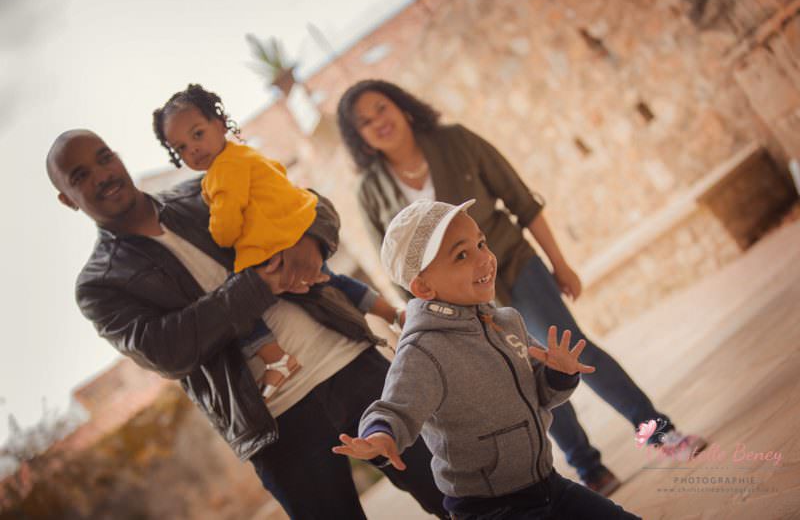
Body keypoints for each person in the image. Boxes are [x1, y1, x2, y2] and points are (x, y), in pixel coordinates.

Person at [45, 129, 448, 519]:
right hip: (275, 425)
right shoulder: (99, 284)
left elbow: (313, 205)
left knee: (453, 491)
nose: (101, 174)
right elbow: (167, 350)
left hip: (351, 366)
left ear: (117, 156)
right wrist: (257, 284)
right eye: (80, 175)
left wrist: (308, 240)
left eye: (104, 158)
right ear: (67, 199)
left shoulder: (204, 189)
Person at [336, 79, 708, 495]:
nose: (378, 123)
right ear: (359, 137)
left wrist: (559, 263)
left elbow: (520, 199)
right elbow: (398, 270)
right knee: (521, 371)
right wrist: (426, 319)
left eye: (381, 109)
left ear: (401, 106)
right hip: (457, 304)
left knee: (570, 350)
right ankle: (589, 468)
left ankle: (661, 435)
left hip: (512, 263)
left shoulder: (455, 140)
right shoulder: (370, 191)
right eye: (365, 123)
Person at [332, 199, 640, 519]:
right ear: (422, 286)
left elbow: (541, 395)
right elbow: (395, 408)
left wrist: (558, 375)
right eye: (462, 255)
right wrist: (380, 436)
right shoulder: (422, 351)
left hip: (548, 485)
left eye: (481, 243)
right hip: (491, 510)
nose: (484, 259)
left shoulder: (506, 322)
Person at [152, 83, 401, 401]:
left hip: (268, 246)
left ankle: (276, 358)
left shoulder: (222, 171)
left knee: (242, 305)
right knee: (331, 282)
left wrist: (217, 233)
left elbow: (226, 226)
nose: (193, 150)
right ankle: (391, 312)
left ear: (218, 123)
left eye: (197, 134)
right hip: (294, 228)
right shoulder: (244, 154)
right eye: (181, 148)